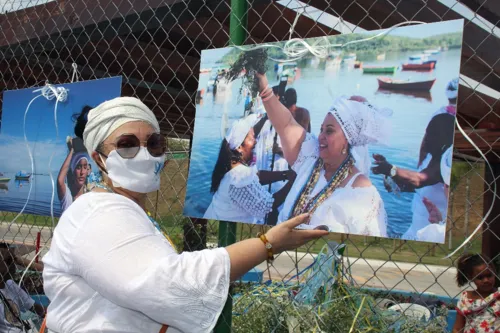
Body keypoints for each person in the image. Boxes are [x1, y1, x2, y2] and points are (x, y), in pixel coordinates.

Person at [42, 97, 327, 333]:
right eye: (127, 145)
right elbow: (165, 284)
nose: (144, 154)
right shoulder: (95, 214)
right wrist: (268, 243)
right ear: (97, 158)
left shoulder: (123, 206)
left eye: (153, 144)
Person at [255, 73, 391, 236]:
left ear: (346, 140)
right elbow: (286, 124)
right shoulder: (311, 156)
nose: (320, 136)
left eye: (329, 131)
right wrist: (264, 86)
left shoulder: (363, 193)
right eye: (321, 130)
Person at [372, 113, 455, 240]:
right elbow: (415, 187)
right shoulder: (428, 159)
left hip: (432, 233)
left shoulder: (445, 164)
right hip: (414, 228)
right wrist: (392, 178)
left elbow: (419, 179)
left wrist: (391, 169)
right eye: (427, 133)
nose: (426, 138)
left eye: (432, 134)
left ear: (445, 138)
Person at [204, 114, 296, 224]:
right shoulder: (239, 176)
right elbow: (267, 206)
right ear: (239, 147)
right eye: (252, 138)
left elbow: (257, 176)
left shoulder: (231, 165)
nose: (255, 141)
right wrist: (293, 182)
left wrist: (285, 174)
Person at [0, 243, 45, 332]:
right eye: (9, 261)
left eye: (14, 260)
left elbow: (34, 307)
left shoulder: (10, 284)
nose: (14, 264)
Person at [453, 253, 499, 333]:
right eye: (480, 277)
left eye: (489, 275)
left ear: (494, 273)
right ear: (471, 277)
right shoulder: (465, 299)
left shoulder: (498, 296)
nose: (486, 280)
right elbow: (457, 328)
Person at [57, 142, 90, 213]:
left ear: (88, 171)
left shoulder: (90, 196)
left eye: (85, 167)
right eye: (78, 167)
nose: (82, 172)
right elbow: (60, 181)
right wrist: (72, 150)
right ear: (73, 170)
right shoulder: (68, 197)